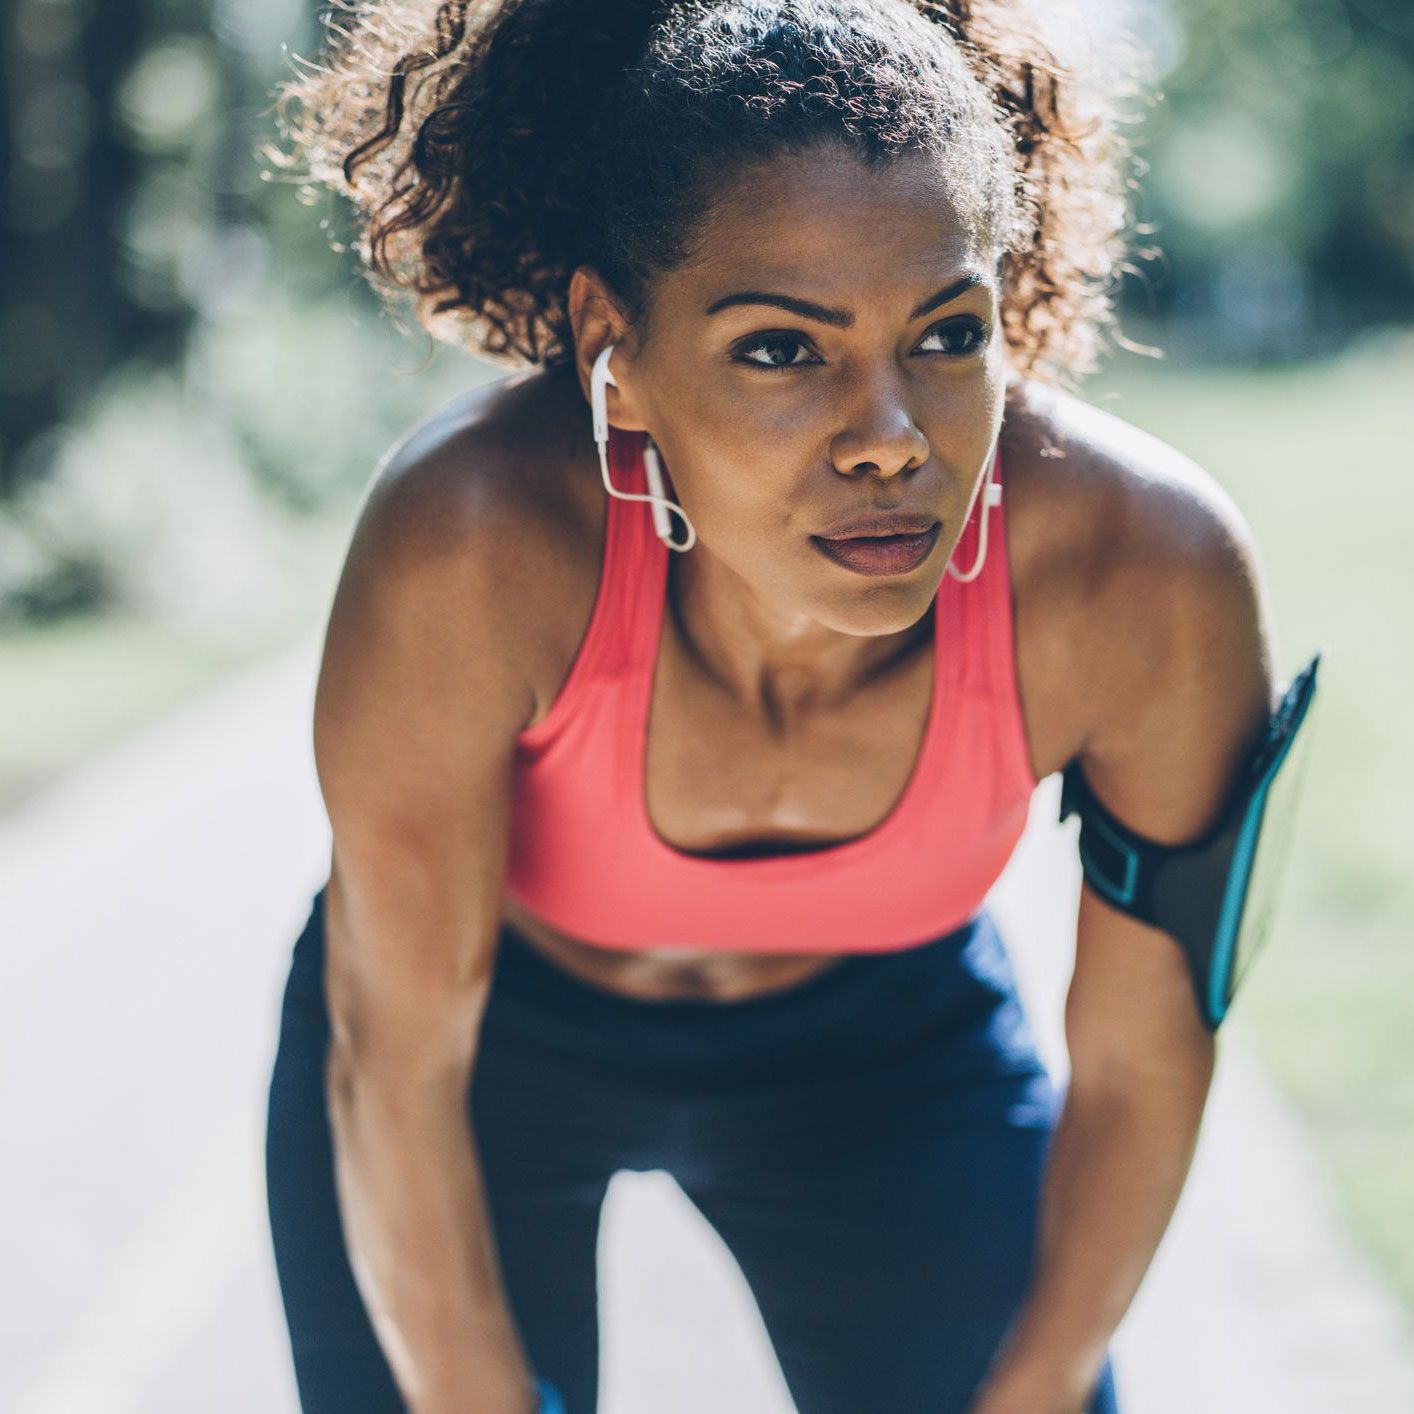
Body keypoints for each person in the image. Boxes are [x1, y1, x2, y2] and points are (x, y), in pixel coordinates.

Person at [262, 2, 1275, 1411]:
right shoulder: (473, 546)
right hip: (482, 1053)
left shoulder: (1142, 571)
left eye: (945, 333)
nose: (890, 442)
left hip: (883, 1056)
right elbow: (400, 1063)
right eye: (780, 350)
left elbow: (1140, 1060)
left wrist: (1038, 1383)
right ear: (614, 347)